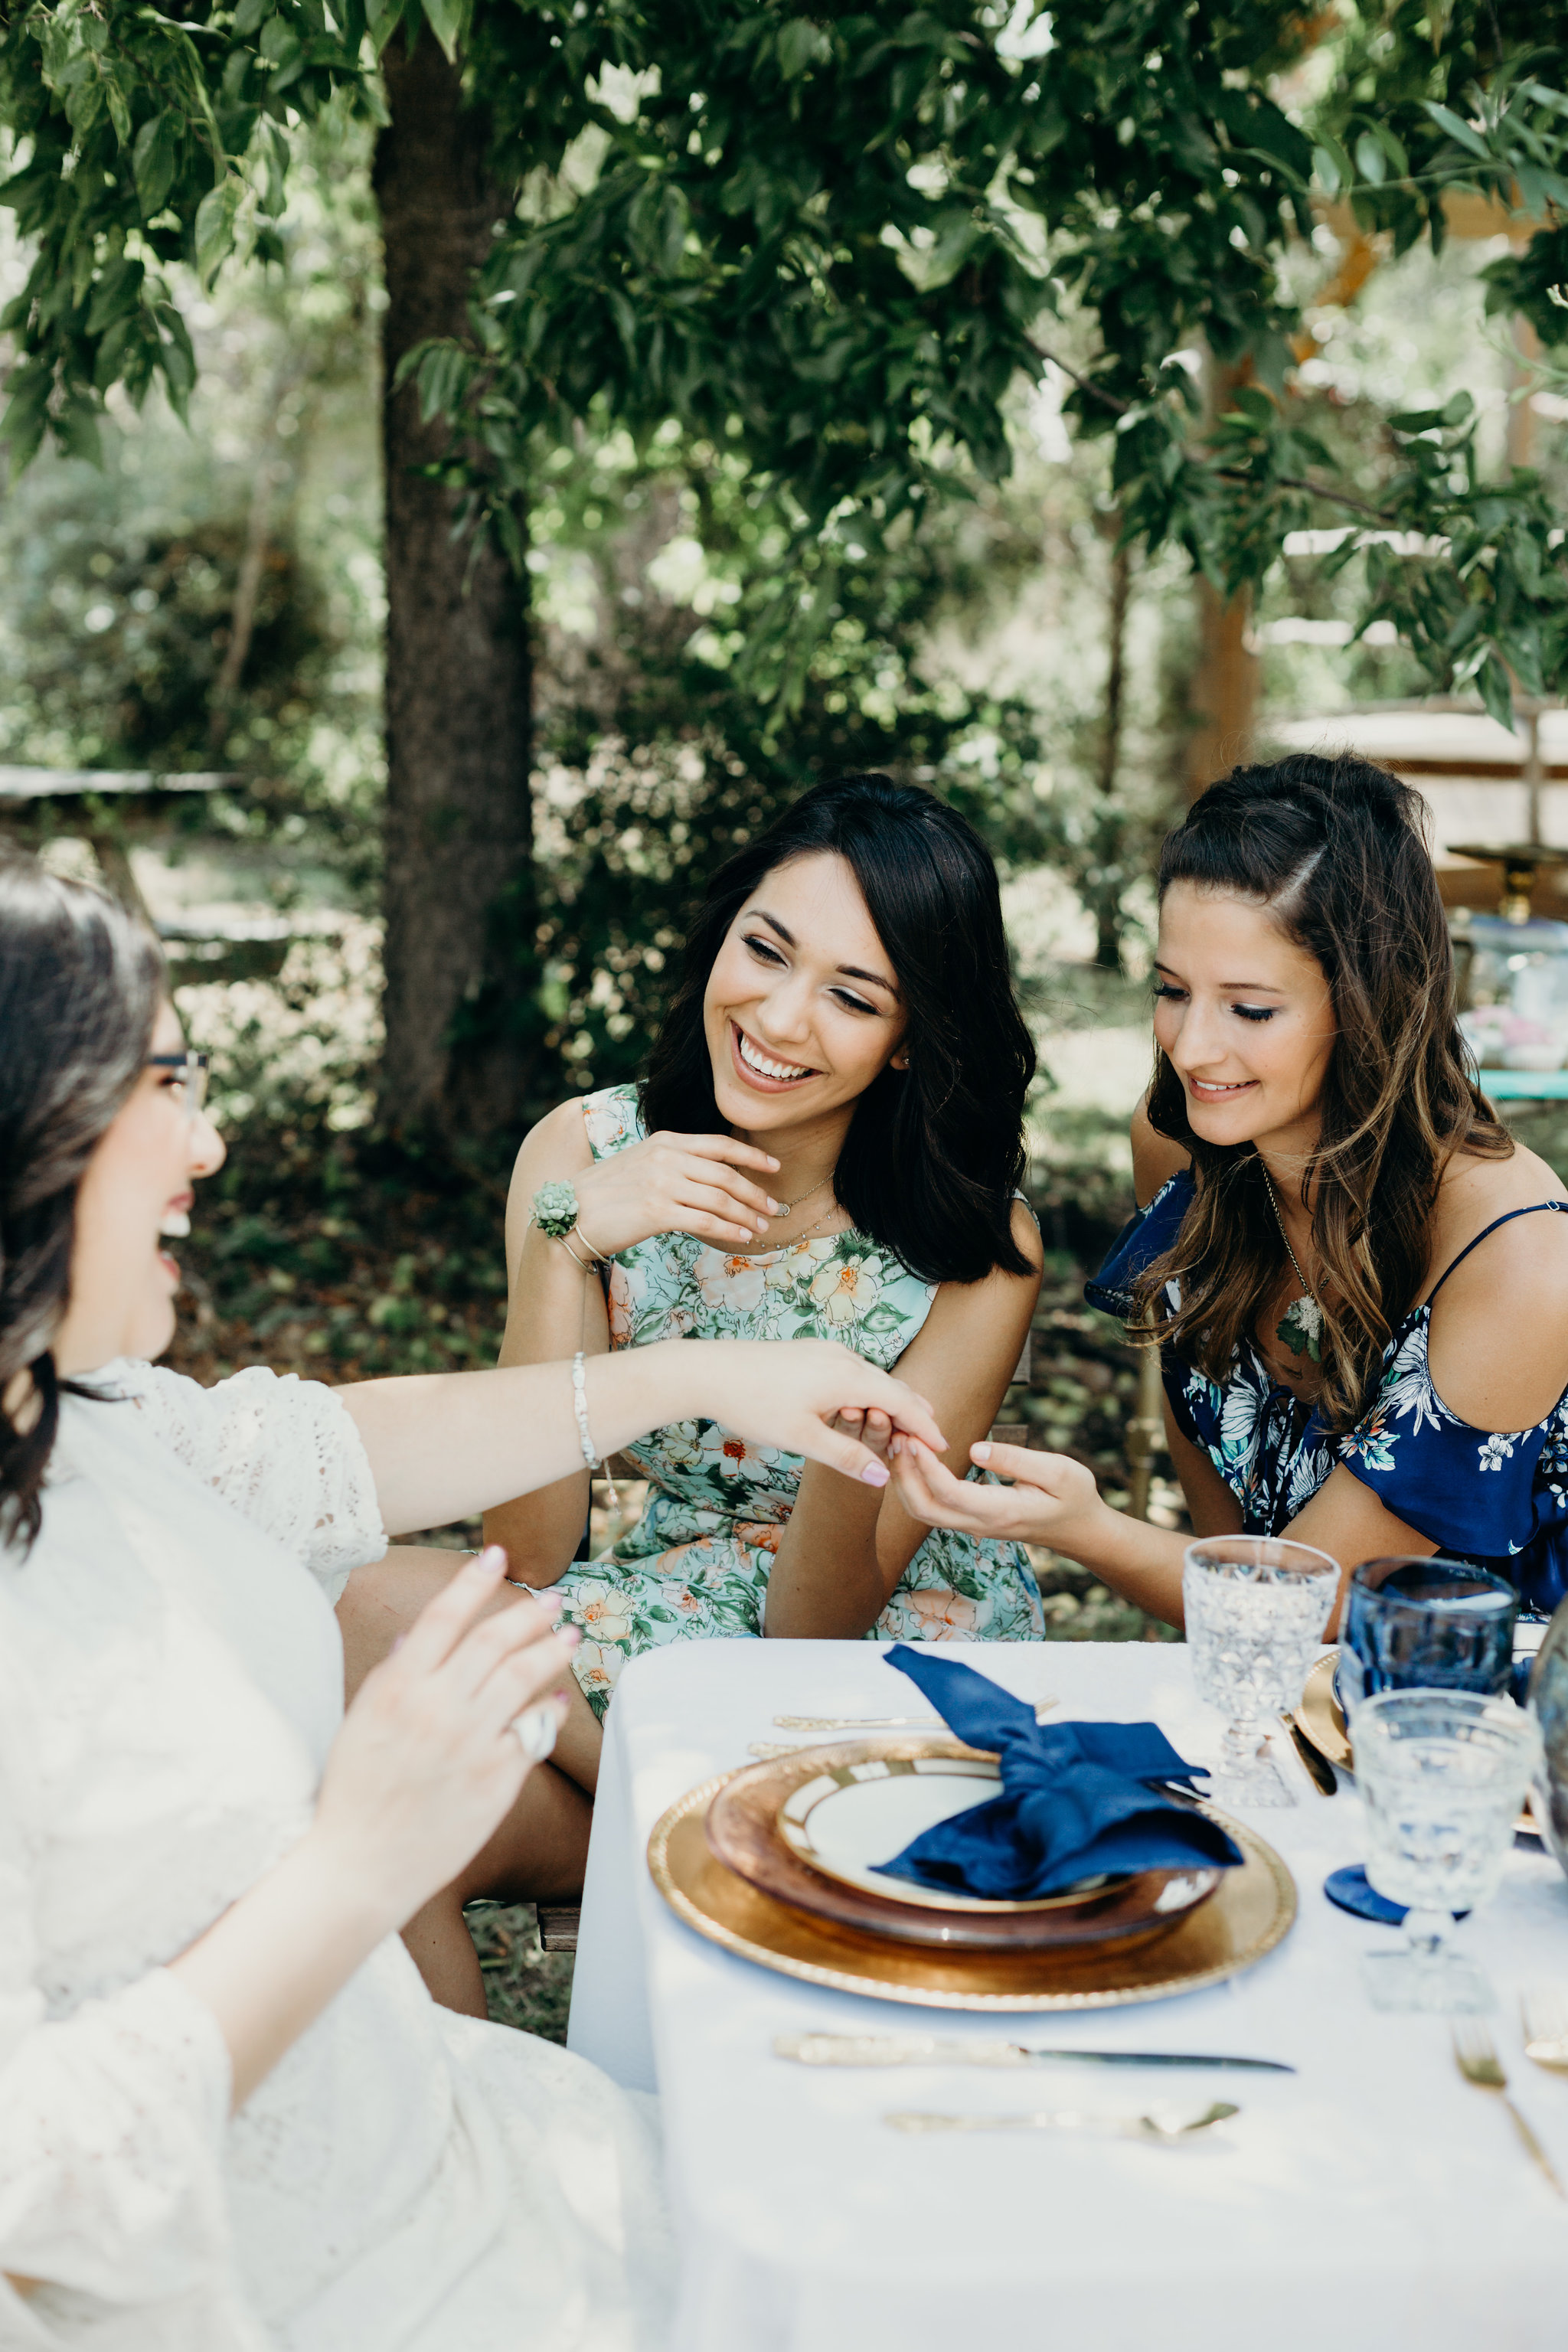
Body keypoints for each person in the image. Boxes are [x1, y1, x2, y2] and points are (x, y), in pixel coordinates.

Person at [0, 858, 948, 2350]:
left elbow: (328, 1446)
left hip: (442, 2130)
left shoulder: (83, 1409)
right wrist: (359, 1858)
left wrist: (703, 1374)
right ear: (31, 1131)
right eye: (163, 1083)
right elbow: (33, 2185)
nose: (212, 1140)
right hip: (299, 2274)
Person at [886, 753, 1568, 1630]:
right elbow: (1211, 1462)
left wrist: (1086, 1529)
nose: (1192, 1048)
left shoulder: (1516, 1258)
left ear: (1369, 1003)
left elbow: (1319, 1602)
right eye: (1172, 991)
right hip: (1261, 1682)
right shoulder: (1179, 1147)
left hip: (1467, 1720)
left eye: (1249, 1010)